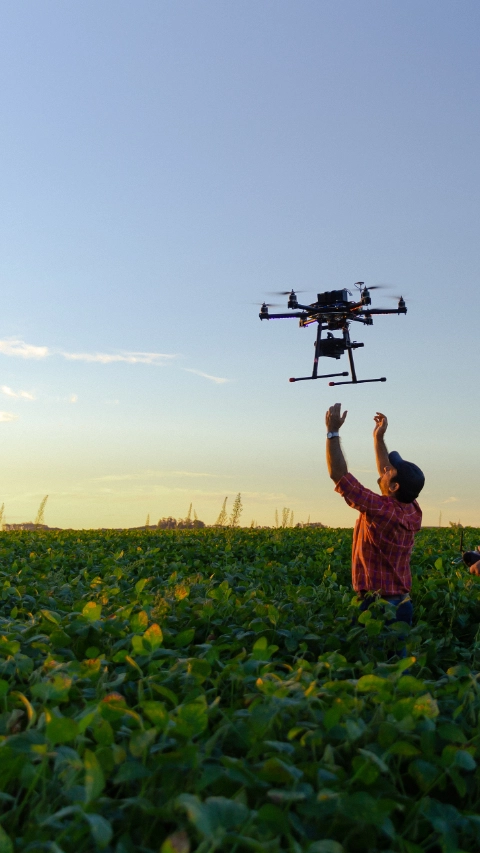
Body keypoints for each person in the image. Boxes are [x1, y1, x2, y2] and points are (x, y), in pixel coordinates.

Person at [325, 403, 425, 630]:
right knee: (396, 664)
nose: (386, 469)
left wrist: (333, 432)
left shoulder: (382, 510)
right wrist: (378, 438)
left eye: (391, 470)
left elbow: (338, 475)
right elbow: (385, 475)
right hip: (401, 603)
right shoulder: (412, 509)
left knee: (368, 663)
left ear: (395, 486)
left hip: (377, 606)